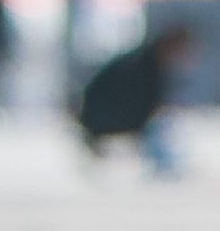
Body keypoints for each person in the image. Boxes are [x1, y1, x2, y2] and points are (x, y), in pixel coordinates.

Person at [78, 25, 196, 177]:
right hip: (106, 121)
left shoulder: (145, 63)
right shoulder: (144, 69)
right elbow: (135, 107)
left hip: (102, 119)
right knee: (165, 125)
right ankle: (166, 166)